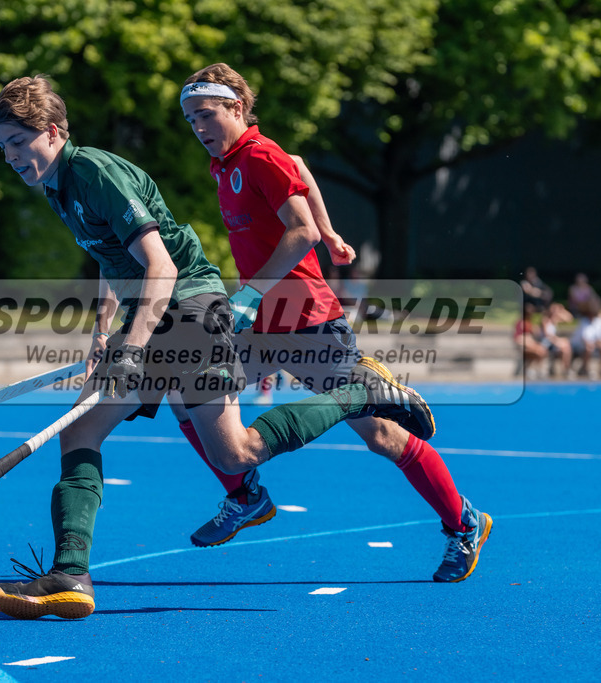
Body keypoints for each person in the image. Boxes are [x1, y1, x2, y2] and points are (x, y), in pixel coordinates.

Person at [0, 75, 441, 621]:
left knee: (236, 453)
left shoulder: (93, 172)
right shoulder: (61, 186)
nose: (10, 157)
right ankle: (71, 575)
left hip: (190, 310)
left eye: (17, 143)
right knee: (81, 428)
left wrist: (132, 347)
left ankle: (357, 392)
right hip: (156, 312)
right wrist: (105, 332)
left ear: (53, 132)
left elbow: (161, 265)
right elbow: (113, 259)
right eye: (3, 147)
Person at [176, 64, 490, 577]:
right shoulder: (227, 162)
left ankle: (463, 523)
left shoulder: (258, 155)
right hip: (263, 327)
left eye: (206, 115)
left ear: (236, 107)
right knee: (189, 395)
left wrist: (269, 276)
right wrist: (331, 228)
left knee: (382, 437)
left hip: (308, 321)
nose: (199, 128)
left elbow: (297, 230)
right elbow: (300, 165)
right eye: (191, 120)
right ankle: (247, 497)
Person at [570, 295, 601, 379]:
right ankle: (585, 369)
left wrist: (600, 344)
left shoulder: (599, 322)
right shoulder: (583, 322)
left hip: (592, 344)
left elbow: (600, 339)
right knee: (589, 347)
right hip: (578, 346)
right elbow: (585, 339)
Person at [538, 302, 572, 378]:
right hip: (546, 342)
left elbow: (569, 319)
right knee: (564, 344)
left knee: (565, 348)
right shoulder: (545, 320)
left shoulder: (555, 320)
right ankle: (543, 370)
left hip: (553, 343)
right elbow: (547, 336)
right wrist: (558, 341)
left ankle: (566, 369)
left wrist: (562, 310)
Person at [514, 303, 547, 380]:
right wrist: (532, 345)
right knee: (539, 351)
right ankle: (532, 370)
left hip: (531, 345)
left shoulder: (530, 323)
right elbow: (519, 338)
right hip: (523, 346)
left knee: (542, 351)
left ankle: (536, 370)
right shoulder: (520, 323)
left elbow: (535, 336)